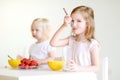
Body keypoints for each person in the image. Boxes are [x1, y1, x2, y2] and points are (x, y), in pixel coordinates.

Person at [50, 5, 100, 72]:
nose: (74, 24)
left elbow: (96, 67)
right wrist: (64, 25)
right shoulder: (71, 40)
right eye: (72, 20)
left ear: (88, 24)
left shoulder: (92, 44)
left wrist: (79, 68)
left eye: (79, 21)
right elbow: (53, 43)